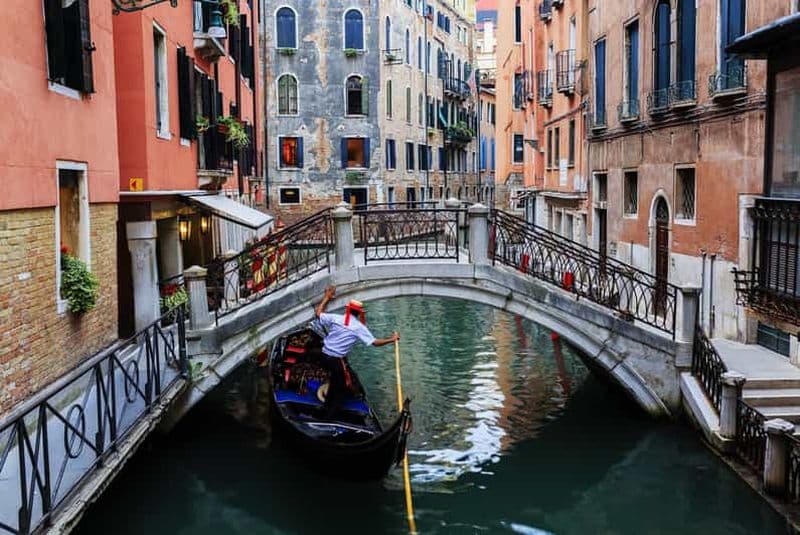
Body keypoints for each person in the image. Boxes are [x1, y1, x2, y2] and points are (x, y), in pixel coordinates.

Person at [314, 285, 399, 414]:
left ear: (347, 310)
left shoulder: (337, 318)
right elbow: (375, 343)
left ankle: (328, 407)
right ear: (359, 313)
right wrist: (392, 339)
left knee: (338, 380)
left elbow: (318, 313)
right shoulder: (358, 327)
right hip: (335, 360)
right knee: (341, 385)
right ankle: (329, 412)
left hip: (323, 355)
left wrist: (327, 298)